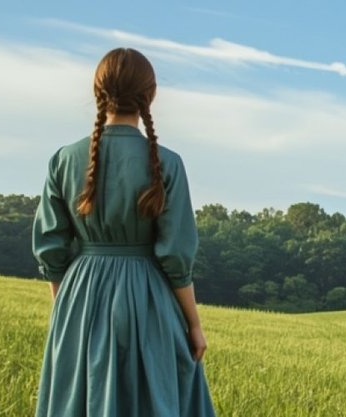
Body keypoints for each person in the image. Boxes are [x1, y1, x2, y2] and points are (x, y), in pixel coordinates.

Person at [32, 47, 215, 416]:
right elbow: (176, 256)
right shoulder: (169, 163)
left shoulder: (64, 159)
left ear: (98, 92)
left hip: (80, 295)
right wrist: (194, 324)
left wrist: (65, 308)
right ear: (150, 94)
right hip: (149, 298)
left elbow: (51, 251)